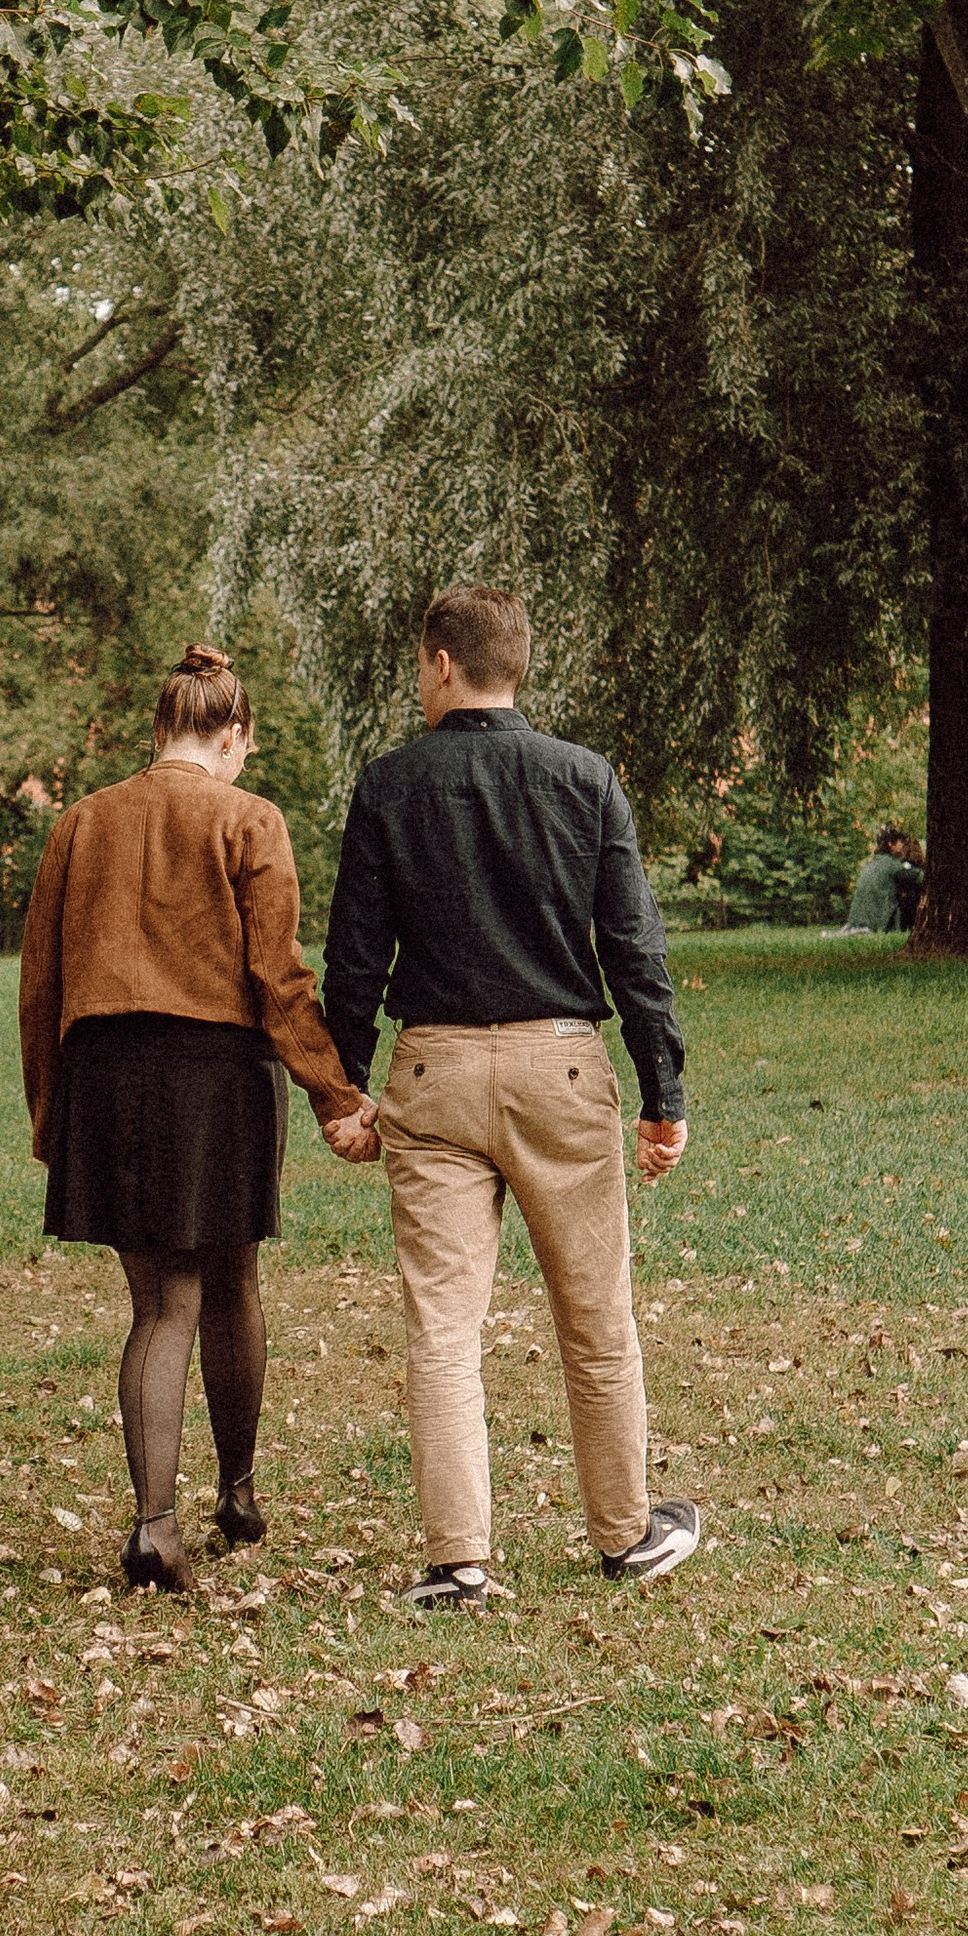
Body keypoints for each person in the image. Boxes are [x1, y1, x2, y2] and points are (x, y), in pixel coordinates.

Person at [321, 583, 696, 1612]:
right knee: (595, 1316)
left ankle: (459, 1560)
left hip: (432, 1074)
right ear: (514, 664)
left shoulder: (389, 785)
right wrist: (662, 1090)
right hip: (560, 1069)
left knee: (443, 1327)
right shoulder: (582, 779)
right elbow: (633, 948)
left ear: (441, 663)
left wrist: (339, 1089)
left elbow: (354, 954)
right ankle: (624, 1534)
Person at [18, 642, 372, 1592]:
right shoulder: (249, 820)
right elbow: (280, 982)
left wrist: (50, 1109)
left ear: (160, 729)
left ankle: (154, 1522)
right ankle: (241, 1492)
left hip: (106, 1073)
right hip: (217, 1075)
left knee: (158, 1305)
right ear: (233, 733)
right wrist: (337, 1095)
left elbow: (40, 986)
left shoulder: (81, 825)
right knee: (232, 1285)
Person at [844, 823, 925, 932]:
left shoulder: (873, 863)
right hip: (873, 925)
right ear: (891, 844)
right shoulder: (893, 865)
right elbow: (920, 878)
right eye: (900, 842)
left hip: (856, 922)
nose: (902, 845)